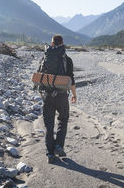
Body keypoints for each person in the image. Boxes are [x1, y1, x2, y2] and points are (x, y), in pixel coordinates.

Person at [39, 34, 77, 164]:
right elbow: (71, 79)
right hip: (61, 95)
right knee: (63, 119)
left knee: (49, 126)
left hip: (47, 95)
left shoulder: (45, 57)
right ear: (62, 44)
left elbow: (40, 76)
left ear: (52, 44)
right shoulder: (67, 59)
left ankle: (50, 154)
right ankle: (59, 146)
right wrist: (74, 95)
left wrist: (42, 92)